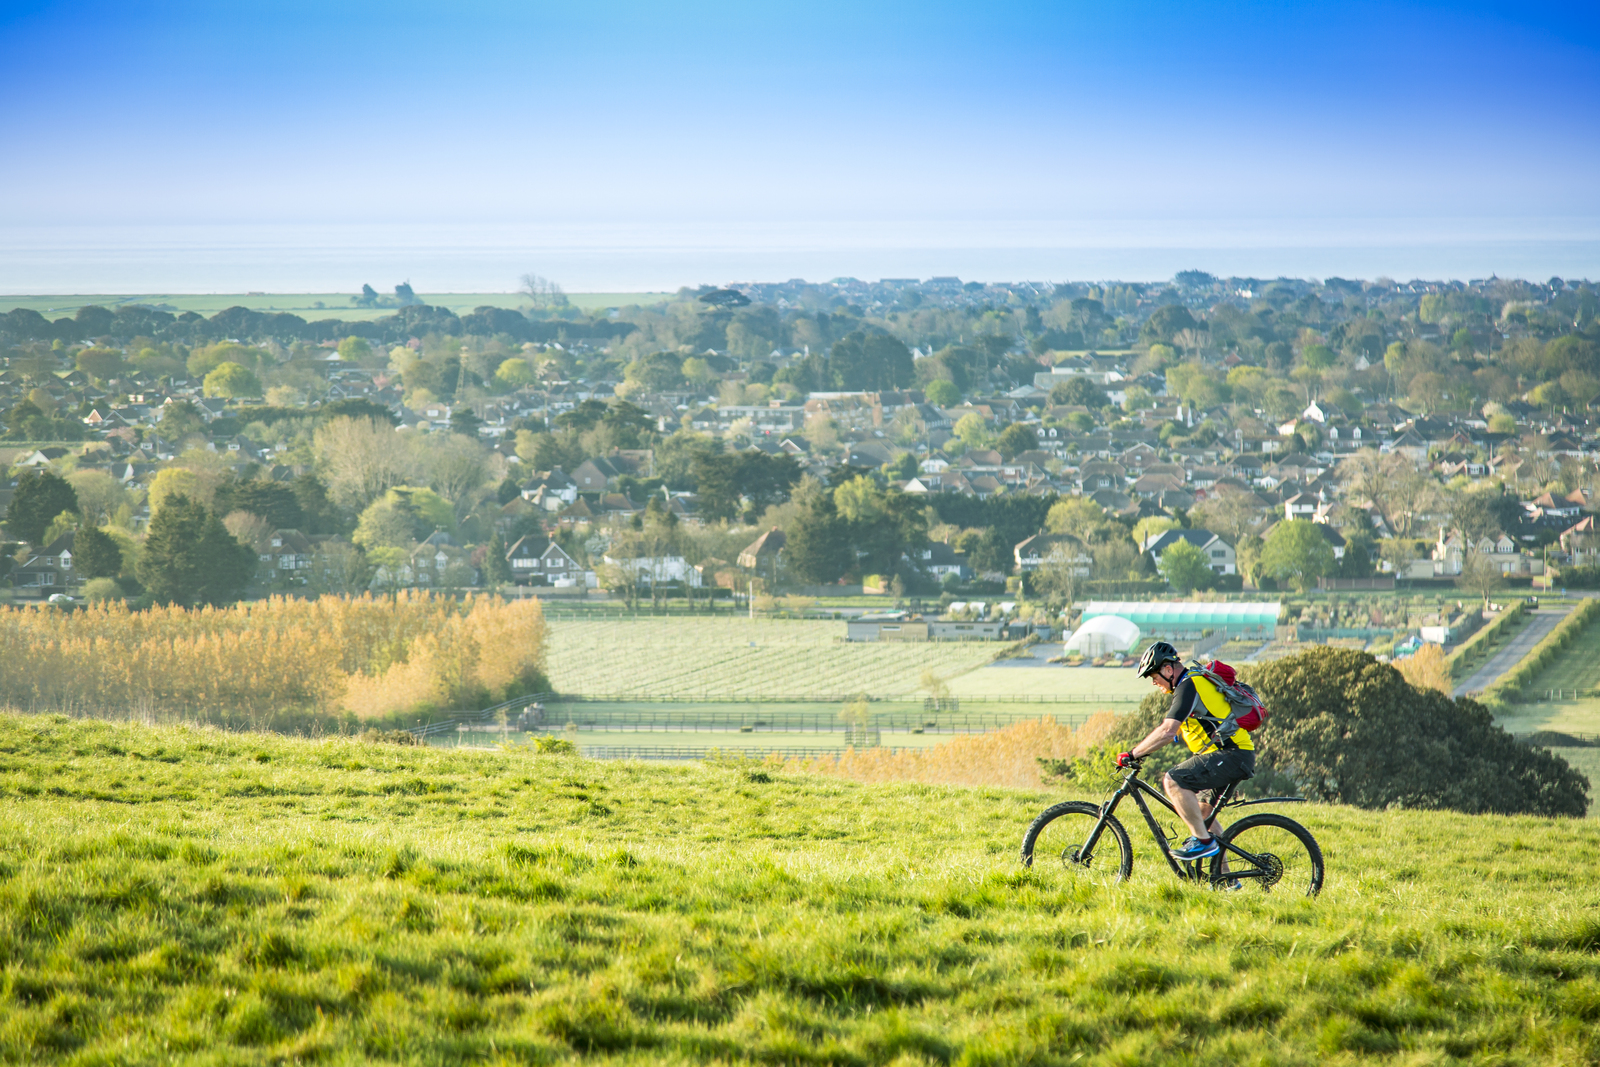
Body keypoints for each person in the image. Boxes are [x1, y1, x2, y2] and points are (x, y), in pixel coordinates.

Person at [1116, 641, 1254, 861]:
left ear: (1168, 670)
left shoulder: (1189, 685)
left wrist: (1133, 754)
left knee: (1172, 781)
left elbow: (1167, 731)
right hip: (1232, 755)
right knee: (1201, 815)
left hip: (1231, 755)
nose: (1154, 683)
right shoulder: (1190, 684)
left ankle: (1204, 842)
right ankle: (1226, 880)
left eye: (1154, 677)